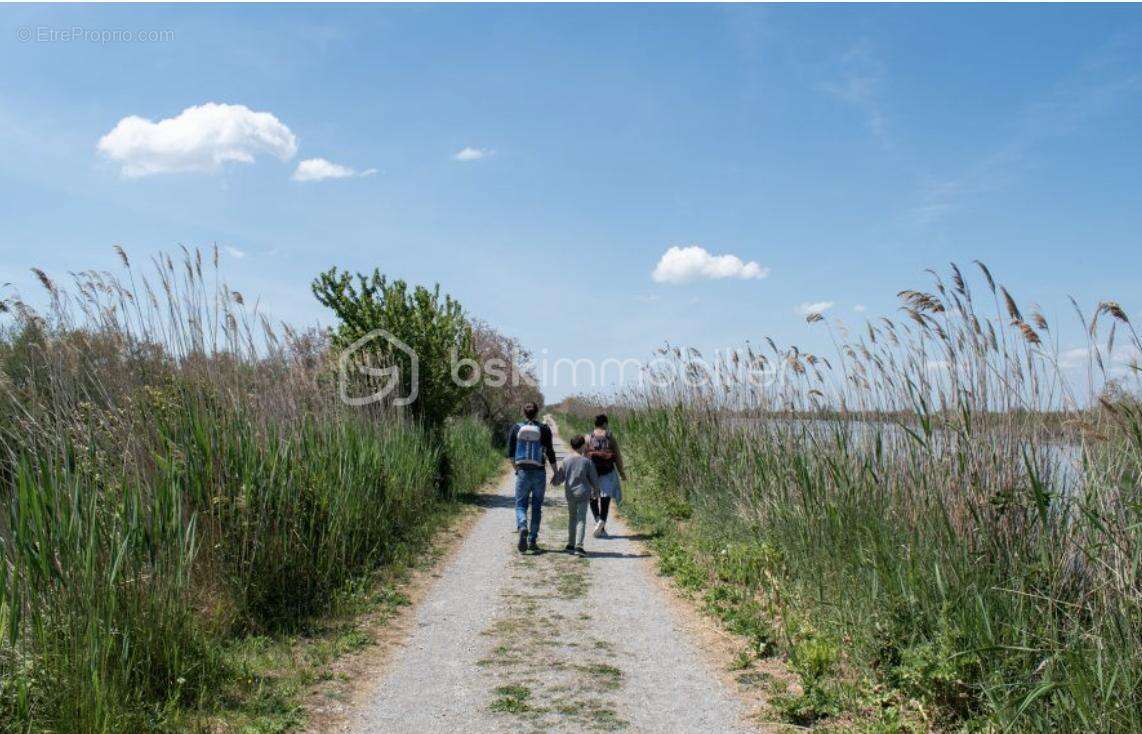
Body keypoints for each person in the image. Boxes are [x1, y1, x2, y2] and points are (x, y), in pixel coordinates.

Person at [506, 402, 558, 553]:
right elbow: (550, 452)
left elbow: (510, 453)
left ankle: (522, 525)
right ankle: (532, 540)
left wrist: (516, 469)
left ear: (524, 413)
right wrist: (555, 471)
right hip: (539, 471)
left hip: (523, 471)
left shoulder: (516, 428)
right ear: (537, 413)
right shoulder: (544, 428)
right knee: (536, 507)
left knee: (521, 504)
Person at [557, 434, 601, 556]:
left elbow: (560, 478)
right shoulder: (587, 462)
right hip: (583, 494)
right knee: (581, 519)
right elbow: (594, 479)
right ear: (582, 446)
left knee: (572, 518)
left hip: (570, 494)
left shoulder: (566, 461)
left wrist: (555, 480)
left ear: (571, 446)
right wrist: (596, 491)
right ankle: (579, 546)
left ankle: (570, 544)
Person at [586, 413, 627, 537]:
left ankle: (598, 520)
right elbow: (618, 457)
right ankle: (602, 523)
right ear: (604, 424)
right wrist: (621, 473)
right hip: (607, 472)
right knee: (605, 498)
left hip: (592, 472)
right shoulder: (610, 437)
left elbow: (584, 456)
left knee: (592, 497)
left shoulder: (588, 437)